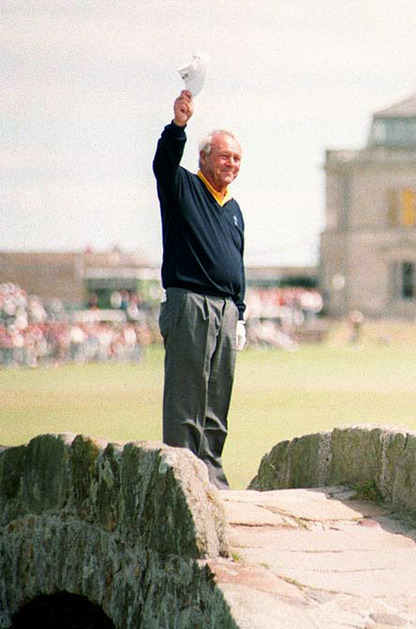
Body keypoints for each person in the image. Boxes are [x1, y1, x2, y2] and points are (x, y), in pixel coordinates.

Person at [153, 89, 246, 489]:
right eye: (224, 156)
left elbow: (236, 263)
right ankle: (185, 481)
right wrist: (179, 126)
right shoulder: (182, 187)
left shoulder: (234, 209)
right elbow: (163, 163)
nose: (231, 164)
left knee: (216, 401)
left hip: (225, 311)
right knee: (186, 400)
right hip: (189, 302)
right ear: (204, 157)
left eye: (237, 159)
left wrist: (239, 312)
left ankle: (212, 477)